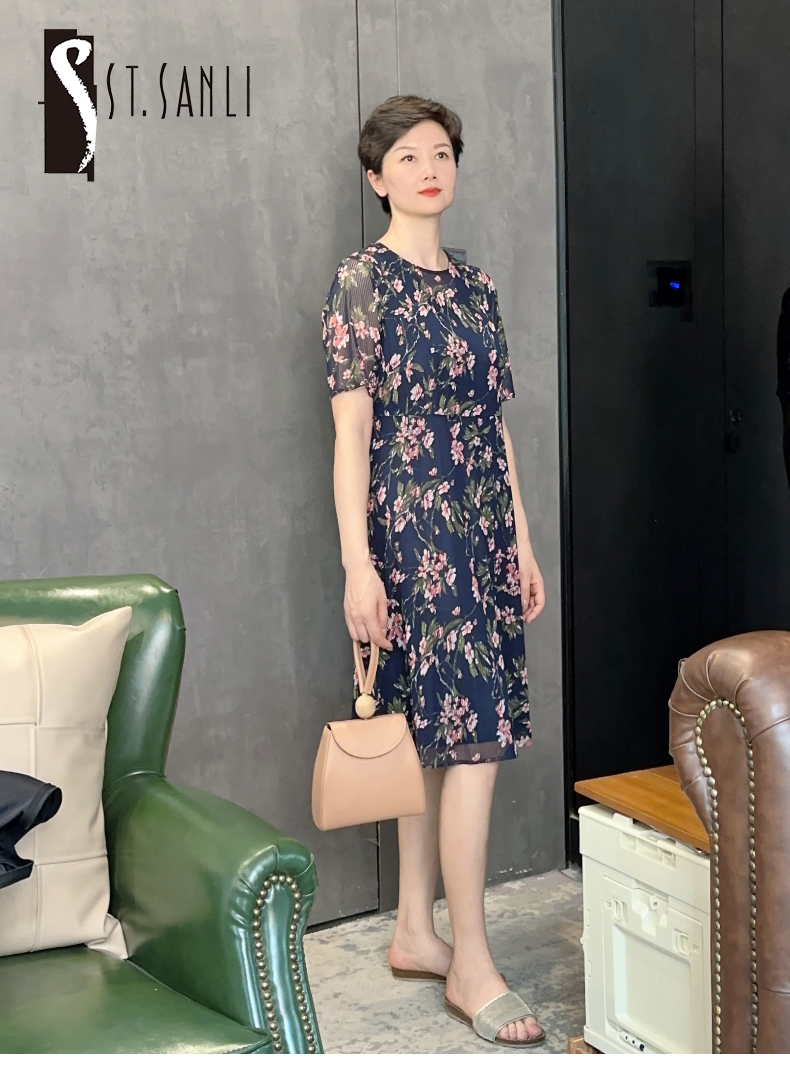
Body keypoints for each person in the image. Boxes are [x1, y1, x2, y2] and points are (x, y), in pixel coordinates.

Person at [321, 95, 546, 1048]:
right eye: (408, 156)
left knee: (436, 738)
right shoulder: (361, 282)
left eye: (442, 153)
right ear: (377, 178)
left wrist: (521, 540)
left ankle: (416, 929)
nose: (429, 168)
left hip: (483, 526)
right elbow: (351, 437)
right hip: (413, 533)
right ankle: (472, 961)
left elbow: (496, 427)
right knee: (469, 740)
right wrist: (357, 565)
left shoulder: (478, 286)